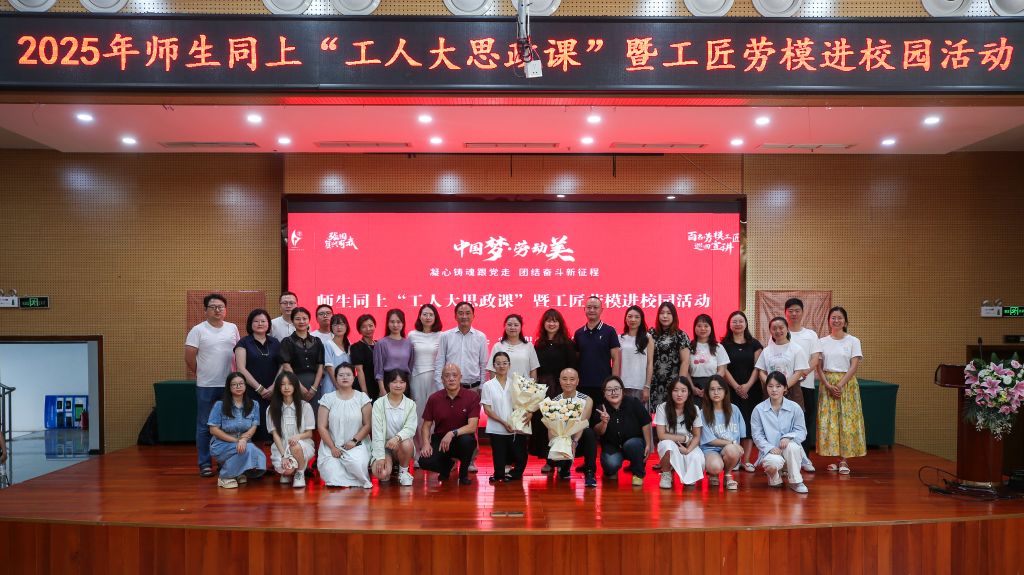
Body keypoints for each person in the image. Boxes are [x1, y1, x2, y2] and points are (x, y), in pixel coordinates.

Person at [185, 293, 240, 477]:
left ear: (225, 310)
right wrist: (202, 373)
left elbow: (237, 354)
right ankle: (205, 463)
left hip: (229, 385)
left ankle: (225, 462)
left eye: (220, 307)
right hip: (206, 385)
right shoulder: (198, 330)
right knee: (204, 425)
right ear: (205, 310)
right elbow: (189, 357)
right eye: (213, 307)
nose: (217, 310)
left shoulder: (232, 328)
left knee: (228, 425)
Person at [433, 302, 488, 472]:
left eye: (467, 313)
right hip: (449, 388)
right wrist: (440, 386)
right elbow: (440, 361)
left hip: (472, 388)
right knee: (449, 424)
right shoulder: (446, 336)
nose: (464, 316)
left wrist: (482, 387)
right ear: (455, 316)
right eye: (461, 313)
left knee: (472, 426)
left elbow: (483, 364)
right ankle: (450, 460)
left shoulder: (480, 337)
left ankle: (470, 460)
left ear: (473, 315)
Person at [815, 306, 866, 474]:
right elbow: (819, 367)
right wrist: (828, 385)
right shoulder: (822, 341)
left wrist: (839, 385)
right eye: (833, 318)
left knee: (846, 421)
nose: (836, 320)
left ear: (845, 321)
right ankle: (835, 458)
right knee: (830, 422)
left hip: (847, 384)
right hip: (827, 384)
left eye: (839, 318)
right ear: (828, 321)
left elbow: (854, 366)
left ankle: (844, 460)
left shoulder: (853, 341)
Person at [418, 363, 480, 485]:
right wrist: (425, 443)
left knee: (467, 442)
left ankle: (463, 473)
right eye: (447, 376)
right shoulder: (434, 398)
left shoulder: (472, 396)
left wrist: (452, 433)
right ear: (442, 379)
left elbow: (472, 426)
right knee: (424, 462)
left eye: (454, 375)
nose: (451, 379)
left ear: (460, 377)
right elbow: (426, 425)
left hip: (461, 437)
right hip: (440, 439)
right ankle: (447, 466)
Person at [531, 309, 576, 472]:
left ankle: (564, 462)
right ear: (544, 324)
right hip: (543, 391)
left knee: (562, 426)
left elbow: (573, 368)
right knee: (546, 426)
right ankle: (549, 461)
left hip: (561, 389)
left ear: (560, 324)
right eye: (548, 320)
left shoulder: (568, 344)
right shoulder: (539, 344)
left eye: (555, 321)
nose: (552, 324)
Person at [751, 371, 810, 493]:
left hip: (790, 451)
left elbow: (801, 431)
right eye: (770, 386)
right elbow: (757, 435)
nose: (774, 390)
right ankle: (774, 476)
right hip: (770, 451)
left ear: (785, 388)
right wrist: (769, 447)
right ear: (766, 387)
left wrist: (788, 437)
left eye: (778, 386)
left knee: (792, 446)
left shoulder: (795, 407)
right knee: (773, 464)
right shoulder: (758, 409)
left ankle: (796, 482)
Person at [720, 311, 764, 473]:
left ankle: (746, 461)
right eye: (734, 321)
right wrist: (736, 387)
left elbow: (758, 367)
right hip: (730, 390)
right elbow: (723, 368)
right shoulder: (723, 345)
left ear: (746, 324)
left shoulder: (755, 344)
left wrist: (747, 386)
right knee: (733, 424)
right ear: (729, 324)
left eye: (741, 321)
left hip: (752, 390)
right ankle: (735, 459)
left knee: (749, 423)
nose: (738, 324)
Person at [317, 362, 373, 488]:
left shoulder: (362, 398)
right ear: (336, 378)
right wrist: (332, 447)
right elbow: (321, 426)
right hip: (332, 445)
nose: (345, 377)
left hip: (356, 444)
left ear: (354, 377)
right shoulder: (328, 398)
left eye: (348, 374)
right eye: (341, 375)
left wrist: (354, 441)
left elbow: (367, 424)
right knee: (332, 474)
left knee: (356, 464)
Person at [208, 372, 267, 489]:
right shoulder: (220, 405)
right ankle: (225, 477)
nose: (238, 387)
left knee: (257, 454)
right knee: (248, 449)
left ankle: (238, 472)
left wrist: (244, 439)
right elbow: (213, 430)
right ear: (229, 387)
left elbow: (254, 426)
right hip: (221, 444)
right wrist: (237, 440)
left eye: (241, 384)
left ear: (245, 385)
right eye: (234, 384)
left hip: (244, 443)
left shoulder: (254, 404)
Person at [593, 375, 651, 486]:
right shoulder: (601, 408)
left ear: (622, 391)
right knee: (611, 464)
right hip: (612, 446)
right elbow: (598, 432)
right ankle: (611, 471)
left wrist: (648, 444)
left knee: (633, 445)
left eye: (616, 389)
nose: (613, 392)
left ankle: (638, 474)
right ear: (604, 393)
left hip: (632, 444)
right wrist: (604, 422)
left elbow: (646, 422)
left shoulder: (634, 403)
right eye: (609, 390)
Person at [481, 352, 530, 482]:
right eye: (498, 363)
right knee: (499, 463)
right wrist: (503, 422)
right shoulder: (488, 385)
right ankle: (499, 474)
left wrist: (529, 413)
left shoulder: (516, 384)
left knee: (521, 456)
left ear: (509, 365)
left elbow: (524, 404)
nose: (501, 366)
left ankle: (515, 474)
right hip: (496, 428)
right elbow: (487, 409)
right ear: (493, 366)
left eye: (504, 363)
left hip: (515, 427)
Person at [234, 308, 280, 444]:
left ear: (268, 324)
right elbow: (241, 368)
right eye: (256, 321)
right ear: (250, 324)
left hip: (273, 392)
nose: (260, 324)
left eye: (263, 321)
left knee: (273, 431)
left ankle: (274, 457)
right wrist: (260, 389)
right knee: (253, 430)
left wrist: (273, 387)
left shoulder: (275, 342)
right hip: (251, 392)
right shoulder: (243, 343)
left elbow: (283, 366)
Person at [785, 298, 823, 457]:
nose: (794, 314)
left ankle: (804, 457)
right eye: (790, 311)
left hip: (805, 385)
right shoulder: (781, 332)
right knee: (785, 421)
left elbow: (815, 359)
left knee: (805, 420)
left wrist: (802, 373)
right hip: (785, 386)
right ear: (785, 313)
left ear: (802, 312)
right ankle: (786, 456)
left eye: (797, 310)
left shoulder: (811, 335)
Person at [266, 372, 315, 488]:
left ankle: (300, 473)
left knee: (295, 445)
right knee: (287, 471)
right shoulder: (271, 408)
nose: (286, 387)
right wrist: (284, 456)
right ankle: (289, 472)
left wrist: (298, 437)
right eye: (283, 384)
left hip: (302, 445)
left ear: (295, 386)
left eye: (290, 384)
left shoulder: (305, 406)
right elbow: (275, 435)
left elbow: (309, 433)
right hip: (281, 446)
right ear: (278, 387)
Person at [654, 378, 705, 489]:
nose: (679, 394)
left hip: (688, 445)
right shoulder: (662, 408)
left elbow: (697, 436)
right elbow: (661, 435)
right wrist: (684, 438)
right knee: (667, 445)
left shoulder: (695, 409)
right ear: (670, 392)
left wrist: (688, 450)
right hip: (671, 442)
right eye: (675, 390)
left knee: (697, 461)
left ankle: (687, 474)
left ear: (689, 392)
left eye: (683, 390)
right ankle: (666, 474)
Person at [551, 368, 598, 488]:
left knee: (589, 433)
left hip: (579, 439)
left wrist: (575, 442)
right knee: (556, 439)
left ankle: (589, 472)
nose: (568, 382)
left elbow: (582, 423)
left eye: (572, 379)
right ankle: (563, 467)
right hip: (563, 440)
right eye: (564, 379)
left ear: (577, 381)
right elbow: (551, 430)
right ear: (559, 381)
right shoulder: (554, 402)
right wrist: (555, 446)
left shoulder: (587, 400)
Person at [370, 369, 418, 486]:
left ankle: (403, 472)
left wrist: (397, 438)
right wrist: (380, 457)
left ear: (406, 384)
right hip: (384, 447)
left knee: (407, 443)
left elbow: (410, 428)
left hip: (401, 445)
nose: (398, 385)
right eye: (394, 382)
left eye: (402, 382)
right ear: (388, 384)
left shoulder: (410, 404)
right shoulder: (378, 404)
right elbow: (377, 432)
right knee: (382, 474)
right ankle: (390, 466)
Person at [408, 304, 442, 462]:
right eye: (425, 314)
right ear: (419, 316)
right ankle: (418, 453)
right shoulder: (412, 335)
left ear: (435, 317)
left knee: (434, 416)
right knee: (418, 415)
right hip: (417, 377)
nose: (428, 317)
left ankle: (432, 451)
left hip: (436, 379)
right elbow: (409, 359)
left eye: (431, 314)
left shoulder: (441, 335)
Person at [699, 375, 746, 491]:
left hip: (730, 451)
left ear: (725, 391)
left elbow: (742, 435)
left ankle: (727, 475)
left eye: (719, 389)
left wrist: (737, 448)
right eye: (712, 389)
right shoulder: (703, 413)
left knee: (732, 450)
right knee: (715, 467)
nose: (716, 392)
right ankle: (713, 473)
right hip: (711, 449)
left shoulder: (734, 409)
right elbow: (710, 440)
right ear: (707, 393)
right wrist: (732, 443)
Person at [754, 317, 810, 409]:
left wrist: (784, 387)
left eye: (781, 327)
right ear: (770, 331)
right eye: (774, 328)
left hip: (791, 390)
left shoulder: (797, 349)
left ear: (787, 329)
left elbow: (799, 372)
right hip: (771, 392)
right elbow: (761, 372)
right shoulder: (766, 350)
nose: (778, 331)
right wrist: (771, 386)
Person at [278, 307, 326, 411]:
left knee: (315, 413)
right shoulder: (287, 341)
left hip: (314, 382)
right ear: (292, 321)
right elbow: (286, 365)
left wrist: (314, 388)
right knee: (297, 413)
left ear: (309, 320)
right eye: (297, 319)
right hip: (293, 382)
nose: (301, 321)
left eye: (304, 318)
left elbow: (320, 365)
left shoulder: (317, 341)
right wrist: (299, 385)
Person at [574, 296, 621, 400]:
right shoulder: (578, 333)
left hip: (604, 384)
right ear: (584, 309)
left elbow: (616, 359)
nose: (592, 310)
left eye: (595, 307)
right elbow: (577, 359)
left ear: (601, 310)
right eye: (589, 307)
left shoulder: (610, 331)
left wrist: (615, 382)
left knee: (603, 411)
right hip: (582, 384)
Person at [649, 301, 691, 416]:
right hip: (654, 382)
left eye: (668, 313)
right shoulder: (651, 333)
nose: (665, 316)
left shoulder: (681, 335)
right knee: (654, 414)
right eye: (662, 313)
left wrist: (680, 384)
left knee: (672, 413)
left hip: (673, 382)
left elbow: (685, 361)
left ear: (674, 316)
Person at [688, 314, 730, 403]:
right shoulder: (689, 347)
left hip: (714, 387)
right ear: (694, 328)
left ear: (711, 328)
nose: (702, 328)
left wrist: (710, 386)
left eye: (706, 326)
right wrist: (692, 387)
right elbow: (686, 370)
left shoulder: (718, 347)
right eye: (699, 326)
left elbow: (722, 370)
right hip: (694, 387)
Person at [373, 309, 415, 398]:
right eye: (392, 322)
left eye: (398, 322)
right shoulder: (381, 343)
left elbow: (410, 367)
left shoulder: (409, 344)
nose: (395, 325)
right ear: (387, 323)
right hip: (388, 383)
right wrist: (382, 389)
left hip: (404, 384)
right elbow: (378, 369)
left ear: (403, 323)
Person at [486, 313, 540, 380]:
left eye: (516, 325)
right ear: (505, 326)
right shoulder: (497, 346)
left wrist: (532, 385)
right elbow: (492, 370)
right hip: (502, 386)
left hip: (523, 386)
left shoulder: (529, 346)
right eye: (509, 325)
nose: (512, 327)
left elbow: (533, 369)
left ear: (521, 327)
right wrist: (494, 386)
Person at [619, 306, 653, 403]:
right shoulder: (620, 338)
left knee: (639, 412)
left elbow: (650, 363)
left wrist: (647, 386)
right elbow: (616, 363)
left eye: (637, 317)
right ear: (625, 318)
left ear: (641, 319)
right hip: (623, 385)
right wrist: (617, 385)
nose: (633, 320)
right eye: (630, 316)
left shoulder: (647, 337)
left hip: (640, 386)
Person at [322, 313, 352, 395]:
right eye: (335, 325)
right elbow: (329, 368)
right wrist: (338, 386)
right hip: (331, 385)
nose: (339, 327)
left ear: (346, 326)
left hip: (347, 385)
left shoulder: (349, 344)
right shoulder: (328, 344)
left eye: (341, 324)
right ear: (331, 327)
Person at [350, 314, 378, 399]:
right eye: (364, 327)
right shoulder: (356, 347)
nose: (368, 329)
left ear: (375, 326)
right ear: (359, 330)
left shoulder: (379, 344)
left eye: (370, 325)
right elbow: (359, 370)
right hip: (365, 384)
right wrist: (364, 392)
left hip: (379, 384)